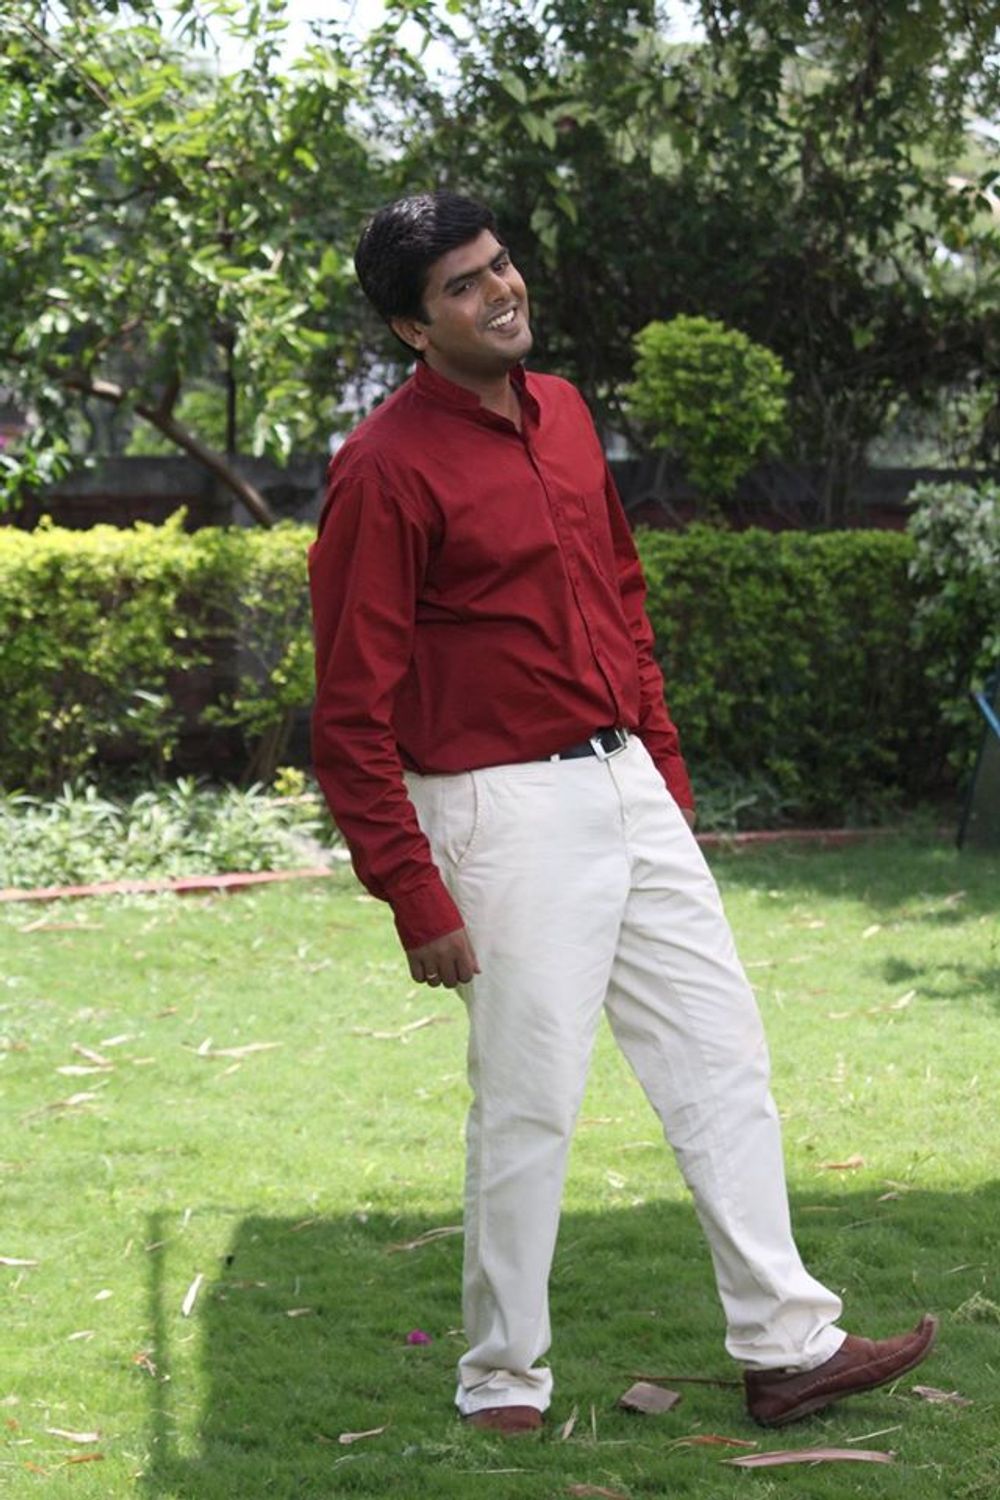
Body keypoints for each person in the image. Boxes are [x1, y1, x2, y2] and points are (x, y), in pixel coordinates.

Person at [308, 190, 936, 1435]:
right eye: (462, 286)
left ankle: (786, 1345)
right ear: (412, 328)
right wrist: (411, 891)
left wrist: (661, 778)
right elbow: (349, 708)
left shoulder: (563, 412)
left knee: (719, 1056)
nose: (499, 291)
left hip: (624, 784)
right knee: (531, 1098)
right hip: (496, 807)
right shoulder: (383, 469)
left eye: (500, 265)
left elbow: (620, 598)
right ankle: (503, 1378)